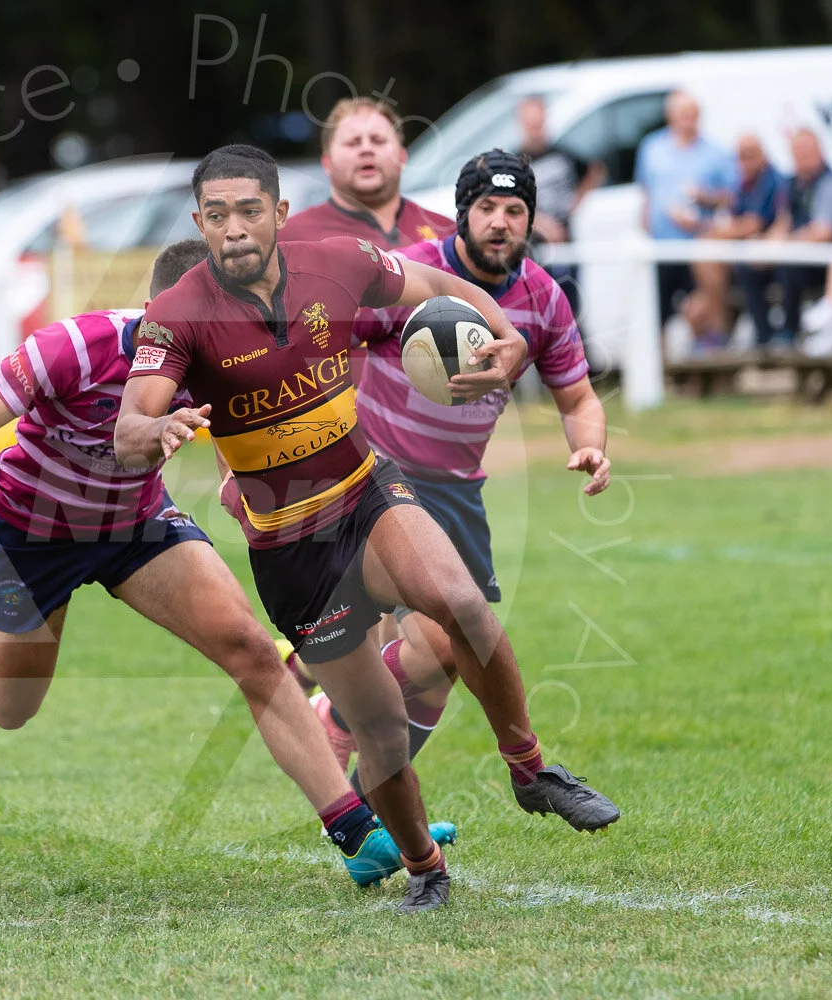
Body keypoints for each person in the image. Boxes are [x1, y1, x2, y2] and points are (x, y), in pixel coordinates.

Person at [0, 239, 453, 891]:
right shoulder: (71, 347)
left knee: (250, 651)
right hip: (30, 537)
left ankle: (353, 831)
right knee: (7, 703)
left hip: (136, 526)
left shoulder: (220, 356)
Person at [115, 144, 619, 914]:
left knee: (463, 605)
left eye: (250, 210)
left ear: (279, 214)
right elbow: (129, 424)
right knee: (379, 728)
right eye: (217, 215)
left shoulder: (340, 262)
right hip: (289, 548)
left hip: (365, 491)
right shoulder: (177, 311)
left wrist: (503, 333)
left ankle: (531, 771)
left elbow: (441, 284)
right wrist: (154, 432)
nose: (235, 229)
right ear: (199, 223)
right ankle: (423, 867)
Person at [289, 150, 611, 793]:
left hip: (458, 492)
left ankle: (365, 800)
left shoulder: (542, 299)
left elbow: (578, 398)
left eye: (514, 211)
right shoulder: (413, 277)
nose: (500, 222)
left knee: (440, 669)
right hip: (378, 479)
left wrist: (592, 446)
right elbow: (323, 345)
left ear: (531, 220)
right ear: (462, 214)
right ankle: (337, 707)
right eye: (486, 209)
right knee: (440, 647)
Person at [633, 90, 735, 346]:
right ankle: (660, 377)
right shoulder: (652, 147)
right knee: (656, 316)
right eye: (682, 115)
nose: (687, 120)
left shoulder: (716, 153)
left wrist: (704, 199)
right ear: (670, 116)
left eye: (691, 115)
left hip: (695, 250)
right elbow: (646, 191)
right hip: (659, 248)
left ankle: (703, 370)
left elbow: (730, 199)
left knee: (698, 312)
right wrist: (645, 223)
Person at [281, 98, 454, 247]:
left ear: (402, 157)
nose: (366, 149)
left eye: (378, 141)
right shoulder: (288, 240)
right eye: (353, 142)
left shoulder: (447, 234)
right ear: (327, 162)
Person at [766, 130, 832, 357]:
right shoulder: (793, 186)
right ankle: (769, 336)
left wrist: (784, 244)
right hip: (808, 262)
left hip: (831, 267)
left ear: (820, 151)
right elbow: (783, 221)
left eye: (807, 152)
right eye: (797, 153)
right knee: (751, 268)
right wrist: (767, 244)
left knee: (789, 263)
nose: (802, 158)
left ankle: (795, 332)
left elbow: (822, 233)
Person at [692, 134, 787, 351]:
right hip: (743, 262)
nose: (744, 162)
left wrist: (714, 234)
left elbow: (753, 224)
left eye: (749, 155)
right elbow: (734, 214)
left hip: (766, 265)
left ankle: (719, 330)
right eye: (740, 157)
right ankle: (716, 335)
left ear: (762, 154)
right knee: (693, 310)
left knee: (707, 255)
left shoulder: (771, 181)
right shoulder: (744, 183)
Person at [516, 95, 605, 247]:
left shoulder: (562, 156)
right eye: (532, 125)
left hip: (566, 240)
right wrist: (539, 222)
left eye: (539, 124)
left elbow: (596, 171)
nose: (536, 131)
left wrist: (575, 201)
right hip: (533, 246)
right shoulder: (515, 163)